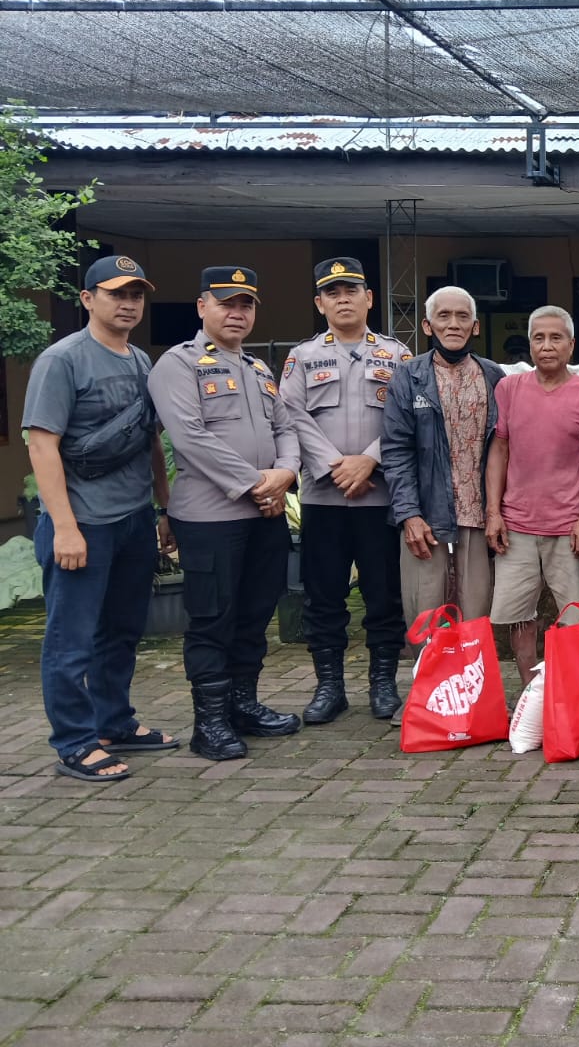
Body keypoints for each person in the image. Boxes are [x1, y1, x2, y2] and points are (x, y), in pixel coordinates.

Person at [23, 255, 175, 781]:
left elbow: (149, 439)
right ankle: (74, 741)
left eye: (135, 295)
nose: (128, 303)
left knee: (122, 631)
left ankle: (115, 723)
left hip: (133, 519)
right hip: (82, 523)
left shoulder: (140, 361)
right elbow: (42, 445)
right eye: (116, 294)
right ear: (88, 299)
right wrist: (64, 526)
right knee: (72, 638)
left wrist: (162, 506)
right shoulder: (62, 360)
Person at [148, 266, 302, 761]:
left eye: (246, 305)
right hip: (211, 518)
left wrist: (286, 472)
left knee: (255, 613)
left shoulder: (259, 368)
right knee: (213, 617)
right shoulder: (178, 364)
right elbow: (190, 438)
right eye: (226, 303)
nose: (237, 313)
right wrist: (258, 483)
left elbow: (287, 427)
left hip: (265, 513)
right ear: (202, 307)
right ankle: (209, 723)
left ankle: (242, 704)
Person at [278, 257, 412, 724]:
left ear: (369, 298)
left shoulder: (397, 356)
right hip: (324, 495)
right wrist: (334, 467)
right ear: (319, 303)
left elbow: (405, 419)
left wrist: (369, 460)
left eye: (351, 290)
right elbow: (290, 416)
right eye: (332, 292)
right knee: (323, 596)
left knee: (384, 594)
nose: (343, 299)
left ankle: (382, 685)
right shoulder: (302, 356)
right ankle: (329, 687)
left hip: (379, 496)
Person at [485, 305, 579, 684]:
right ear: (531, 345)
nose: (547, 346)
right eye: (539, 338)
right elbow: (499, 451)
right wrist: (493, 512)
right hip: (517, 524)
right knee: (519, 614)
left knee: (572, 615)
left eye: (556, 338)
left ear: (571, 345)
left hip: (568, 526)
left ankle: (569, 692)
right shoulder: (509, 389)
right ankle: (529, 691)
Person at [382, 287, 504, 635]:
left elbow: (506, 448)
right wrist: (409, 514)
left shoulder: (494, 377)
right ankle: (431, 687)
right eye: (444, 316)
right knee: (426, 616)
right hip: (427, 516)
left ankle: (472, 688)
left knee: (476, 617)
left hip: (479, 517)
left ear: (475, 326)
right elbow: (396, 451)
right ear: (426, 325)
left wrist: (499, 512)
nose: (453, 324)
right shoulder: (409, 377)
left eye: (462, 316)